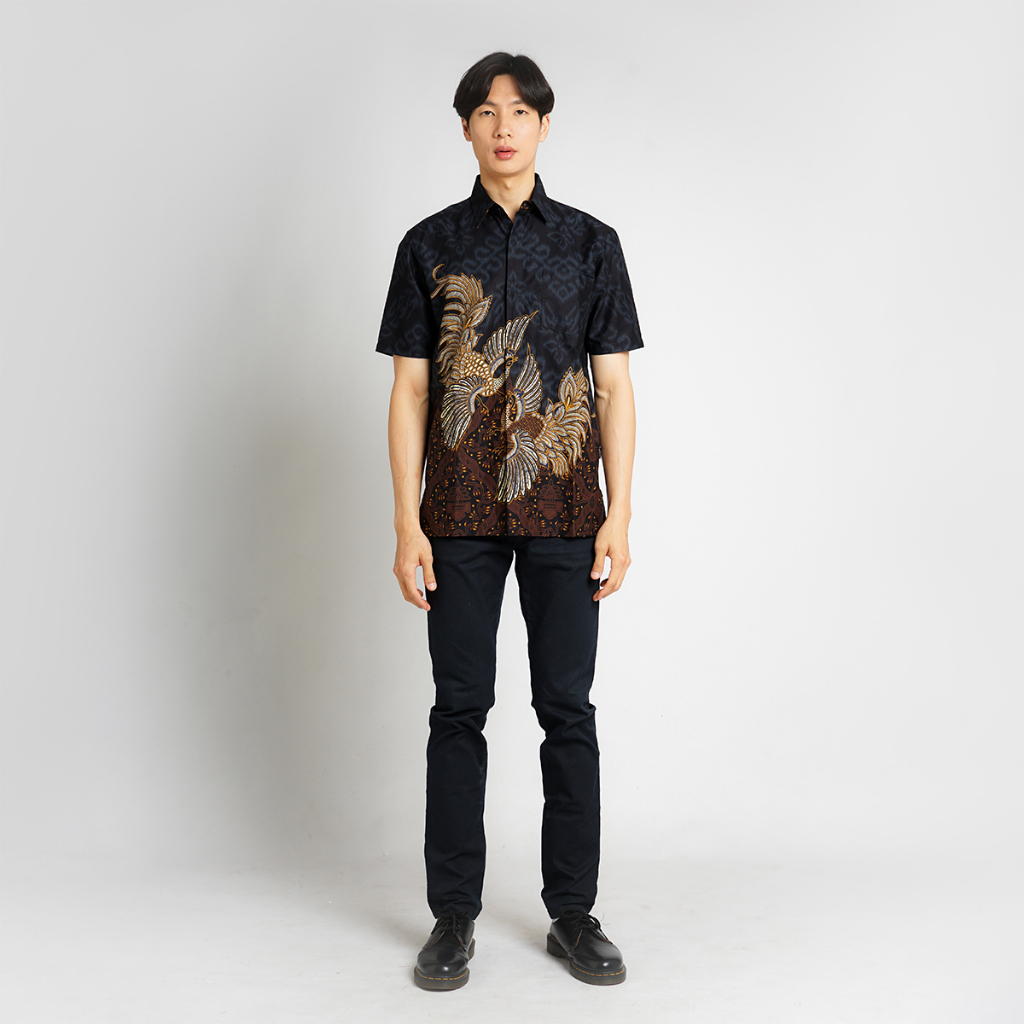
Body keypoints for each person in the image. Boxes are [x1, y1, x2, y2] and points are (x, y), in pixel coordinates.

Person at [376, 51, 642, 990]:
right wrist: (407, 524)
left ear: (542, 125)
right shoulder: (427, 246)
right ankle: (453, 917)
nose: (503, 126)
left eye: (520, 111)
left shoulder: (592, 244)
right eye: (487, 112)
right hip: (456, 512)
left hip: (567, 508)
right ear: (466, 128)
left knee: (567, 710)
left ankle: (573, 913)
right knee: (459, 709)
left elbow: (614, 389)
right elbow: (411, 392)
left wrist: (619, 514)